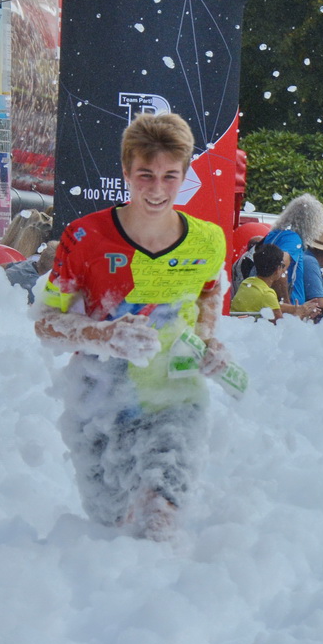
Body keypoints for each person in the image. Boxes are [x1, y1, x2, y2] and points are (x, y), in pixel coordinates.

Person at [35, 113, 229, 541]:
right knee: (115, 533)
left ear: (184, 175)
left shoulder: (208, 240)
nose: (157, 190)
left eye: (169, 176)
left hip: (176, 402)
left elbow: (207, 295)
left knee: (159, 519)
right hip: (102, 407)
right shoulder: (85, 238)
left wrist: (210, 342)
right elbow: (46, 326)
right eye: (145, 175)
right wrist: (104, 335)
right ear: (125, 170)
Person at [230, 242, 305, 317]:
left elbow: (272, 304)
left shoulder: (247, 282)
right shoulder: (267, 294)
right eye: (282, 266)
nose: (284, 270)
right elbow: (281, 324)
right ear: (277, 270)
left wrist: (297, 308)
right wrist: (298, 315)